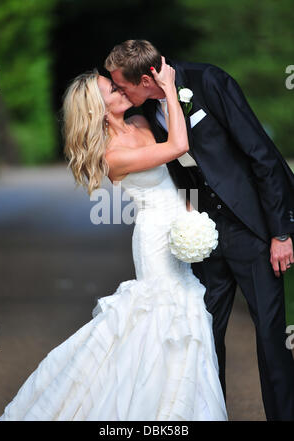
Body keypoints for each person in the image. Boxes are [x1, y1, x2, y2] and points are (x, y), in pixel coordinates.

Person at [0, 58, 227, 421]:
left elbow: (175, 173)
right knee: (161, 315)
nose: (120, 89)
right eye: (112, 89)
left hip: (180, 227)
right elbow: (178, 146)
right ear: (98, 109)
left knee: (186, 314)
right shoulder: (113, 155)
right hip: (154, 240)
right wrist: (168, 86)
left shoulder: (139, 120)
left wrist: (190, 214)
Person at [105, 39, 294, 421]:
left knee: (272, 339)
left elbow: (262, 153)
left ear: (145, 79)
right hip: (204, 236)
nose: (119, 92)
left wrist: (281, 233)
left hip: (253, 231)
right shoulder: (143, 115)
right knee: (205, 338)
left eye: (122, 86)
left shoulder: (209, 81)